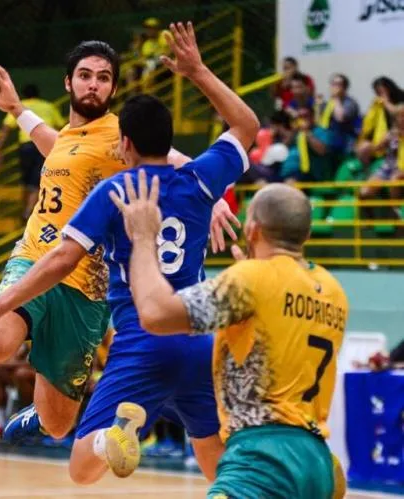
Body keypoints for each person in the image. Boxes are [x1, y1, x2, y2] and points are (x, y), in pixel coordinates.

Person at [0, 38, 232, 446]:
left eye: (104, 78)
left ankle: (41, 415)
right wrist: (16, 109)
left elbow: (178, 164)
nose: (94, 85)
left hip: (88, 290)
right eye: (85, 76)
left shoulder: (119, 134)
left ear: (112, 88)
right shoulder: (73, 137)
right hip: (39, 257)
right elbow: (56, 146)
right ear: (68, 82)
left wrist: (210, 200)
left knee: (58, 426)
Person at [0, 22, 257, 483]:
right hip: (196, 342)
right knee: (216, 460)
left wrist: (1, 303)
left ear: (122, 143)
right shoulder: (200, 182)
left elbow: (61, 258)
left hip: (142, 343)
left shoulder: (113, 191)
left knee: (82, 470)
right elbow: (246, 125)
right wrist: (198, 72)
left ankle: (108, 438)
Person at [111, 177, 348, 498]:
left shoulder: (251, 279)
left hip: (263, 459)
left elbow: (155, 314)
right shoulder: (333, 290)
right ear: (305, 235)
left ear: (252, 230)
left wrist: (142, 236)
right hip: (317, 461)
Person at [0, 84, 65, 220]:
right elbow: (61, 128)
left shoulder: (19, 106)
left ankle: (27, 209)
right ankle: (29, 210)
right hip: (45, 144)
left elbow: (6, 129)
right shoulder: (48, 106)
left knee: (26, 180)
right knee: (39, 178)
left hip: (26, 146)